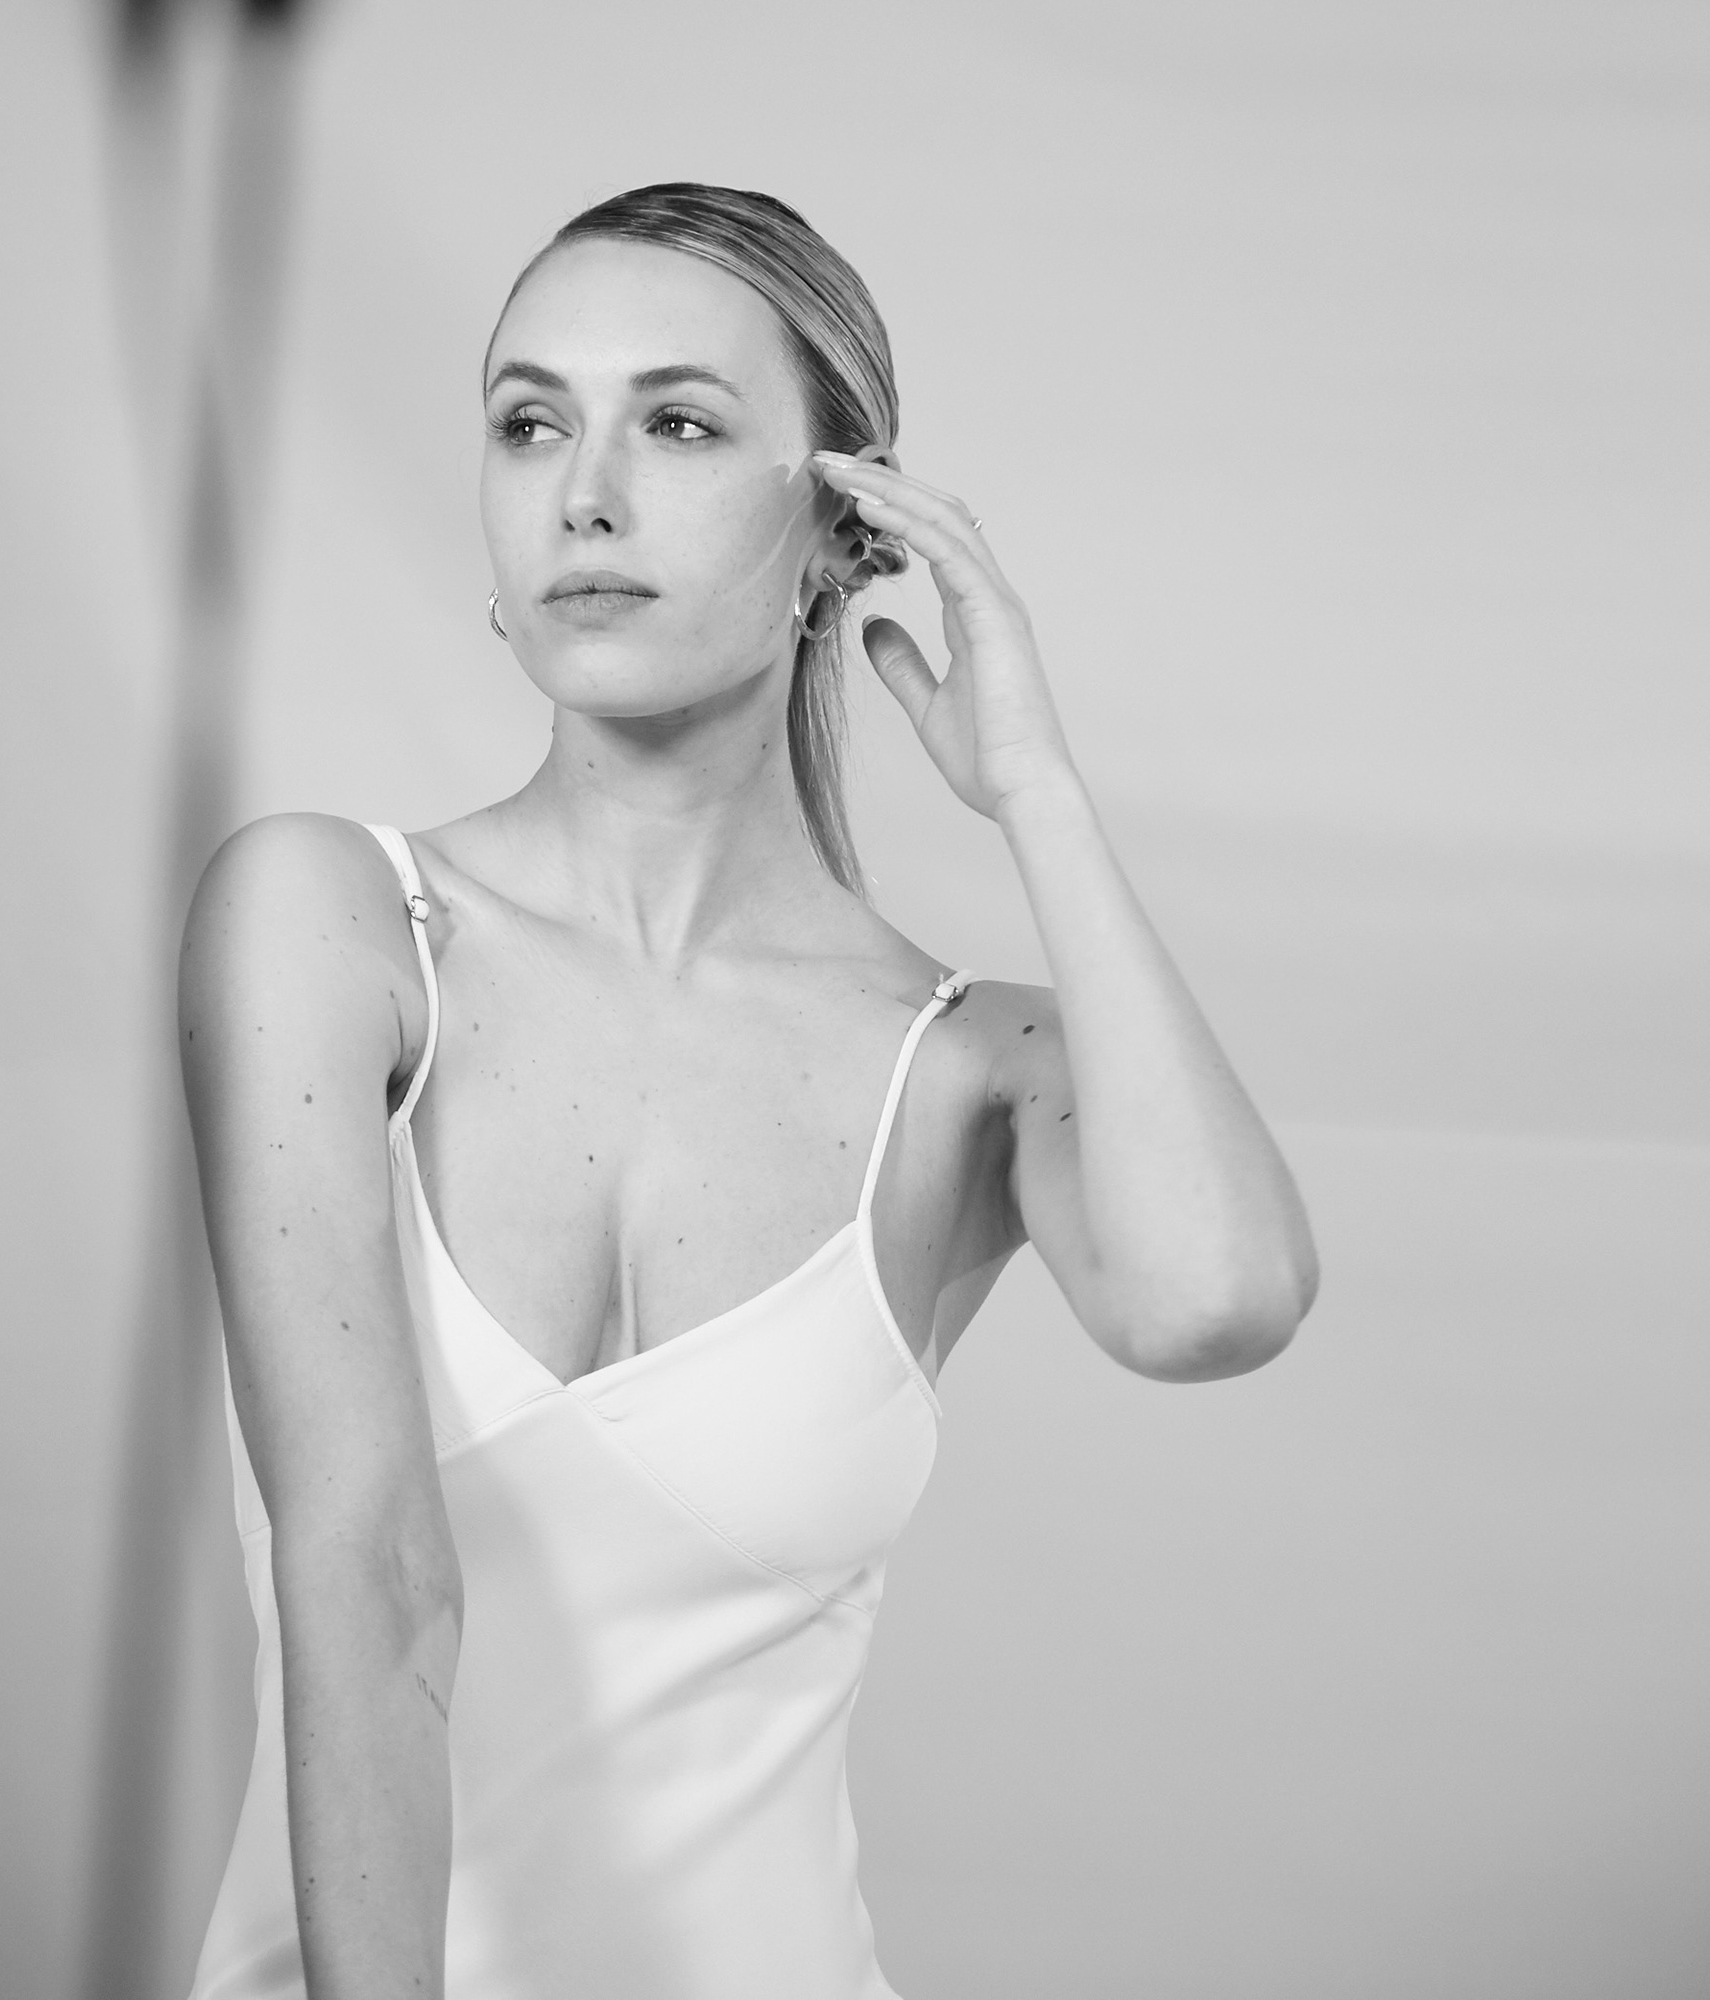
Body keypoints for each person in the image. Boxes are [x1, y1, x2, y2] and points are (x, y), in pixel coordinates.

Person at [180, 180, 1320, 2000]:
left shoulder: (969, 1065)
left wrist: (1034, 791)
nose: (585, 494)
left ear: (843, 529)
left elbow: (1218, 1302)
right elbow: (371, 1572)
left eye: (683, 425)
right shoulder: (329, 920)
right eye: (529, 423)